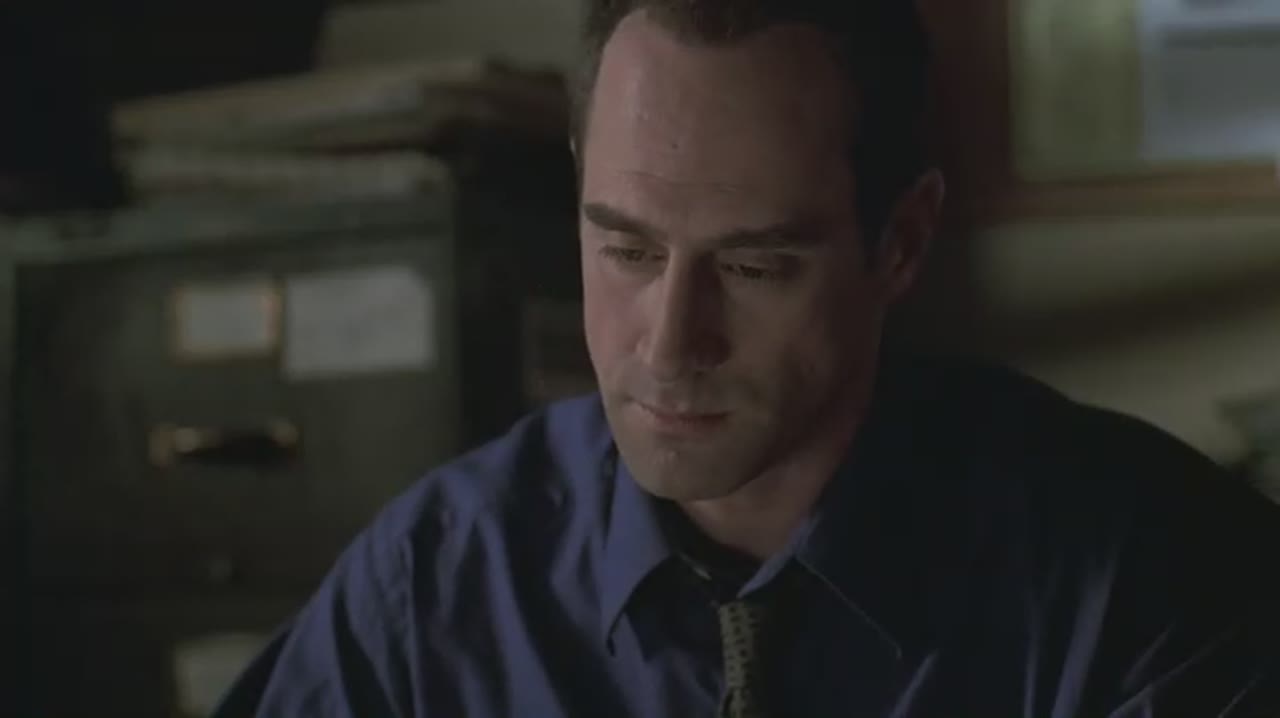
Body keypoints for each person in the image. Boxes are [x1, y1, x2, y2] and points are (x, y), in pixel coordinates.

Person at [218, 0, 1280, 715]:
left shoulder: (1153, 579)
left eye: (754, 266)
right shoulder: (435, 583)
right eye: (627, 250)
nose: (667, 341)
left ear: (901, 241)